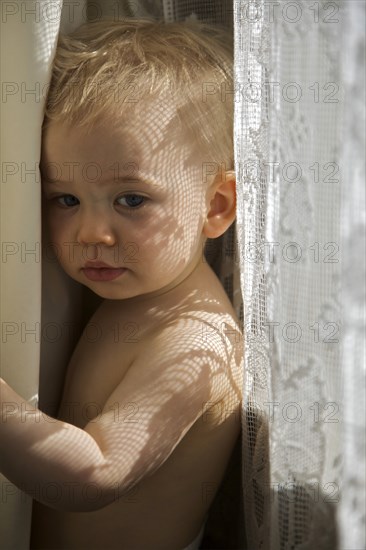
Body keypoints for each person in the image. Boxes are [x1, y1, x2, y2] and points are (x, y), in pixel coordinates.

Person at [0, 18, 243, 550]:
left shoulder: (196, 341)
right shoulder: (140, 287)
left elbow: (95, 473)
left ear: (216, 205)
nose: (90, 233)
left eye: (131, 199)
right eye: (66, 199)